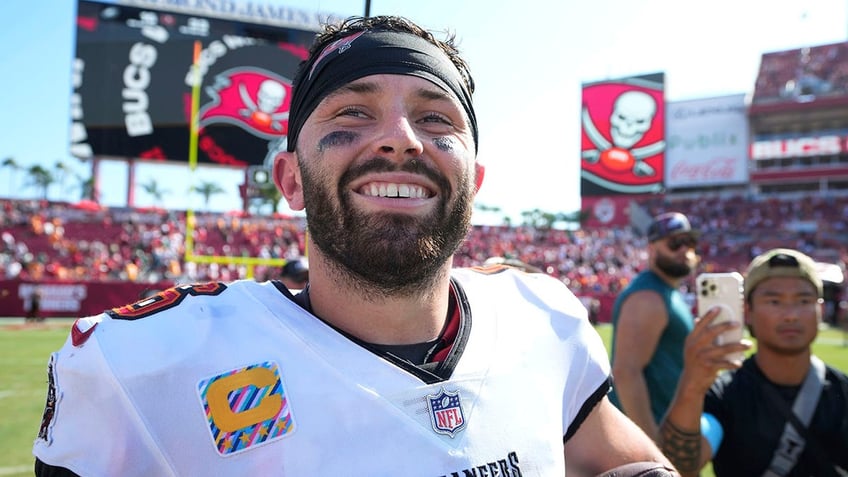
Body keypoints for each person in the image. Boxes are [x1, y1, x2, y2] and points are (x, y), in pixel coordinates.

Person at [32, 16, 676, 476]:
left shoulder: (544, 321)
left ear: (474, 183)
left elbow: (623, 461)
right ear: (290, 179)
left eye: (436, 118)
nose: (400, 139)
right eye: (351, 114)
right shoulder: (145, 370)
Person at [660, 248, 848, 477]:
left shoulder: (843, 391)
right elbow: (679, 467)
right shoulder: (724, 395)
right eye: (774, 301)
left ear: (819, 310)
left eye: (803, 300)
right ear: (747, 311)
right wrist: (692, 386)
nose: (791, 315)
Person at [609, 212, 700, 441]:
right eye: (674, 243)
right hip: (649, 434)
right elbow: (626, 373)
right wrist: (653, 448)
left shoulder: (667, 292)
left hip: (667, 425)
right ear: (651, 249)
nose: (684, 250)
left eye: (689, 242)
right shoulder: (648, 296)